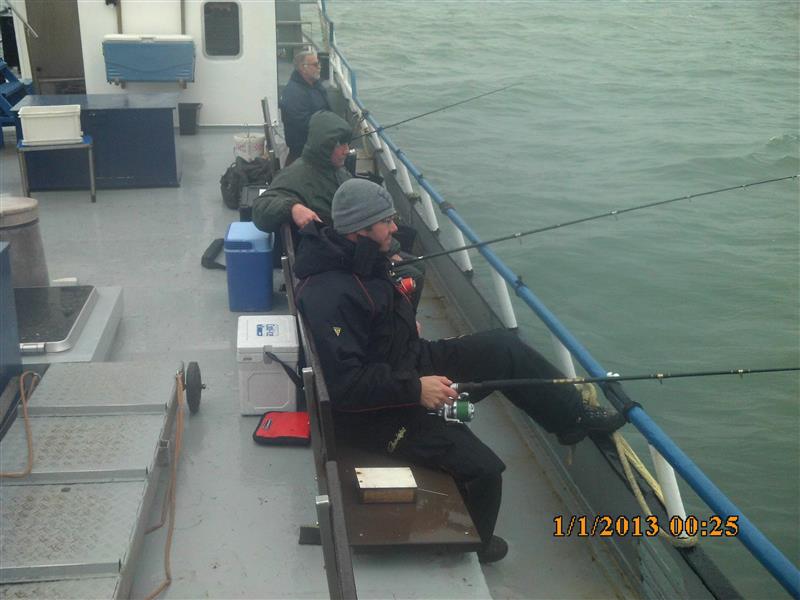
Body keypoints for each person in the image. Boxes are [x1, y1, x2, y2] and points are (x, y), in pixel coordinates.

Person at [293, 178, 626, 564]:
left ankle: (572, 419)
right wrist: (417, 390)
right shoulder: (329, 293)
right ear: (360, 230)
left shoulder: (357, 258)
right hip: (376, 413)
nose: (395, 228)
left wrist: (404, 327)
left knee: (503, 347)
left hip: (405, 362)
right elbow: (346, 386)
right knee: (486, 472)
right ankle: (476, 544)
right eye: (387, 221)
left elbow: (374, 321)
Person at [253, 111, 425, 307]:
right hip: (341, 260)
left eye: (347, 144)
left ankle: (402, 318)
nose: (346, 150)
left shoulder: (336, 170)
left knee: (417, 262)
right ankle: (398, 321)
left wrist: (392, 249)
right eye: (340, 145)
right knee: (413, 274)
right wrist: (292, 207)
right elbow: (260, 209)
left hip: (353, 246)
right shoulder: (296, 175)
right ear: (324, 146)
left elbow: (364, 214)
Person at [280, 50, 331, 166]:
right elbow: (302, 123)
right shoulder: (293, 92)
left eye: (319, 64)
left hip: (319, 137)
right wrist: (328, 131)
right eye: (315, 64)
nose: (319, 67)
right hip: (304, 146)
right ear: (303, 68)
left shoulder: (315, 85)